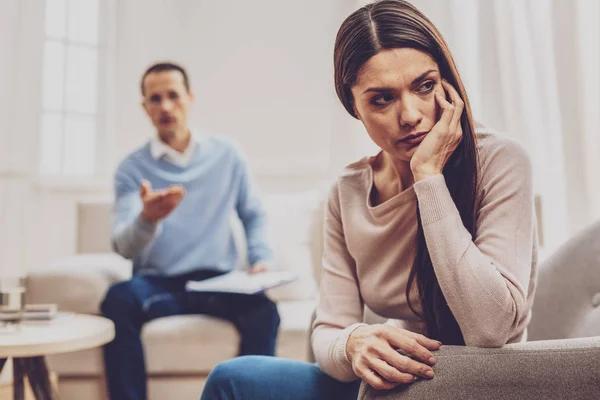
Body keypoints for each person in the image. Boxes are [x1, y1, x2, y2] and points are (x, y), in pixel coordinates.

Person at [200, 0, 538, 399]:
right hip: (401, 384)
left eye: (425, 86)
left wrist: (428, 179)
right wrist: (354, 342)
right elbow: (328, 329)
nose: (410, 114)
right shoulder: (349, 191)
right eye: (382, 99)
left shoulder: (501, 160)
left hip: (481, 384)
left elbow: (490, 328)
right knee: (230, 379)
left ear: (447, 86)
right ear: (354, 106)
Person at [101, 62, 281, 400]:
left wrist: (260, 258)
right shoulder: (131, 169)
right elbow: (123, 246)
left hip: (217, 280)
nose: (166, 106)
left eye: (173, 96)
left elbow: (254, 214)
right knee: (117, 300)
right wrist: (147, 218)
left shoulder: (227, 154)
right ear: (145, 108)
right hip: (160, 283)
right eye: (155, 99)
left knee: (264, 311)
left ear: (190, 98)